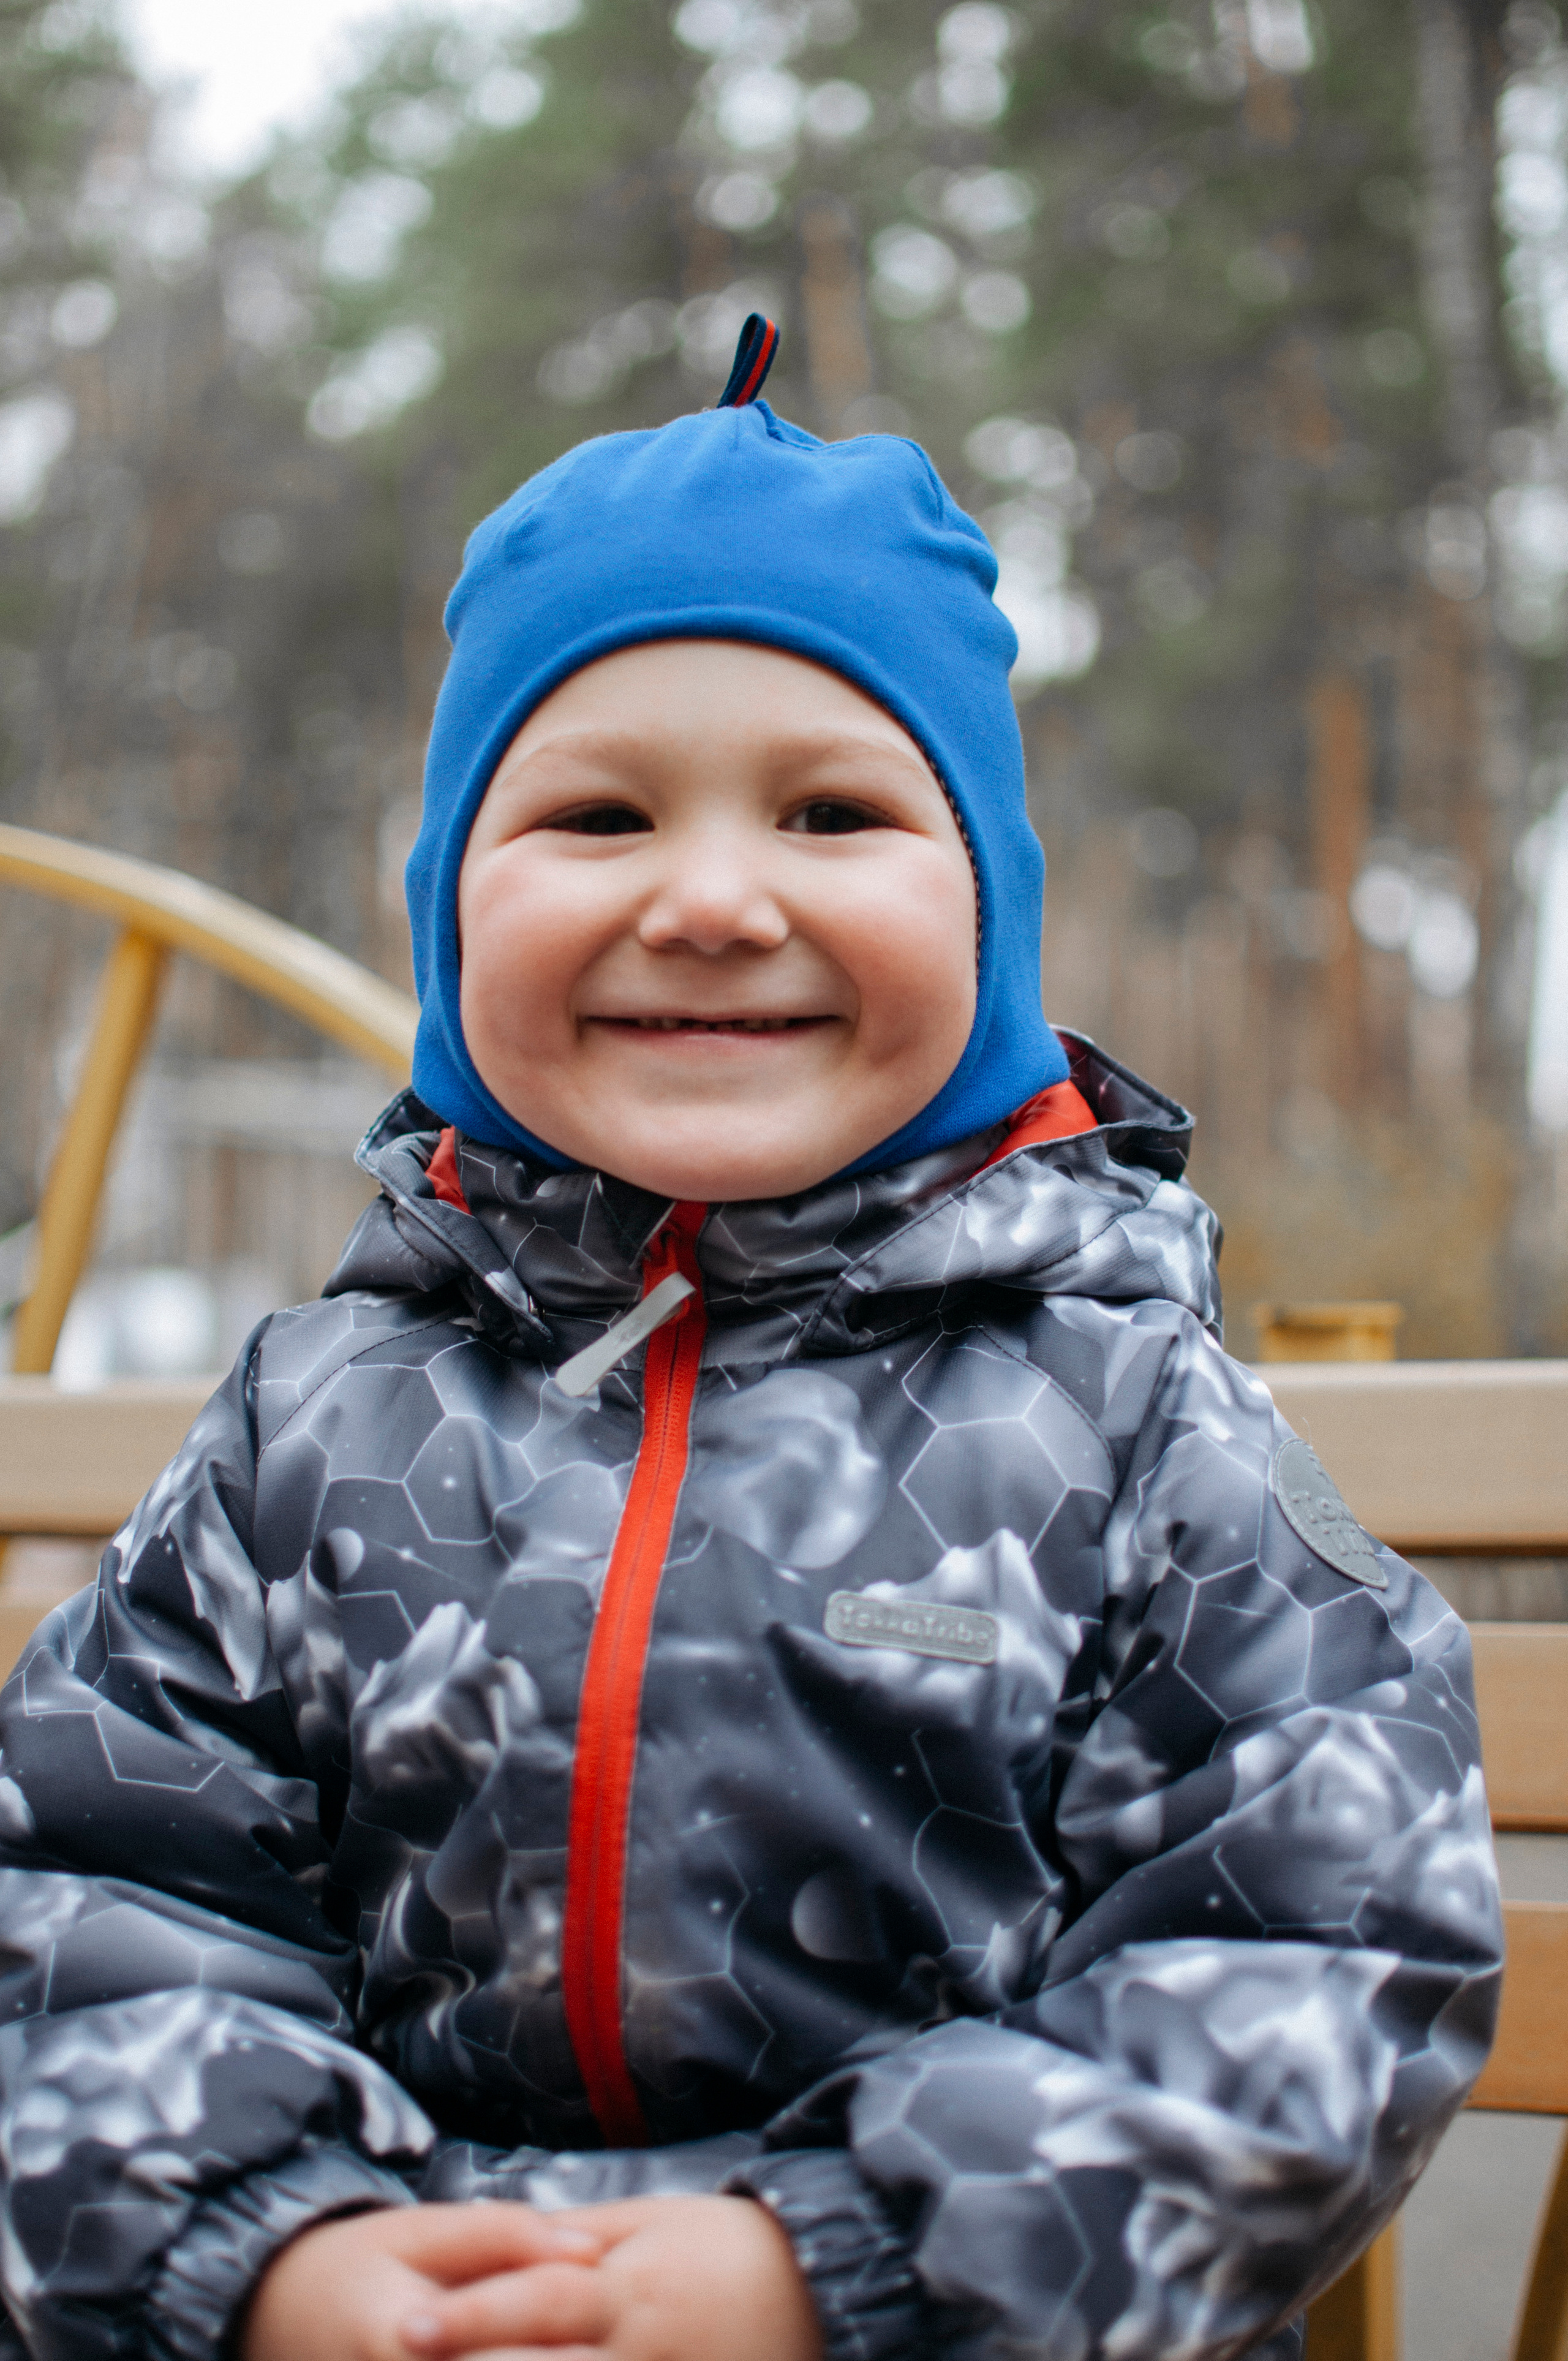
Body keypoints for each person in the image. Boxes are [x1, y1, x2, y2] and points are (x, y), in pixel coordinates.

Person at [0, 321, 1501, 2361]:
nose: (711, 898)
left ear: (989, 917)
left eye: (829, 815)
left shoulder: (1133, 1423)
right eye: (601, 819)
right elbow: (85, 1910)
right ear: (449, 914)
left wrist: (845, 2262)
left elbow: (1323, 1952)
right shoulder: (311, 1431)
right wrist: (259, 2252)